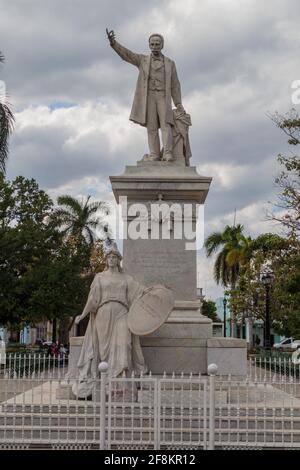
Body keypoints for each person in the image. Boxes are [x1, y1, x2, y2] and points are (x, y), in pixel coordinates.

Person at [72, 242, 147, 398]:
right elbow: (92, 299)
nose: (112, 259)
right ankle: (106, 382)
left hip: (122, 312)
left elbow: (139, 292)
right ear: (106, 260)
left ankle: (121, 382)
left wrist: (152, 293)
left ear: (118, 260)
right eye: (109, 257)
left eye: (114, 257)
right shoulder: (100, 277)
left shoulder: (126, 278)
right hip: (103, 313)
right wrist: (83, 315)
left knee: (124, 343)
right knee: (104, 350)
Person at [106, 29, 185, 162]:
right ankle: (154, 154)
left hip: (163, 97)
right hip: (148, 97)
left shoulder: (170, 63)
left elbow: (175, 84)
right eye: (152, 44)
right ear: (149, 45)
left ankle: (167, 153)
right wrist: (114, 43)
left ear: (162, 45)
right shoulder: (142, 60)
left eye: (157, 44)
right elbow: (127, 55)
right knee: (152, 126)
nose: (154, 46)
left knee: (166, 125)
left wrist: (178, 103)